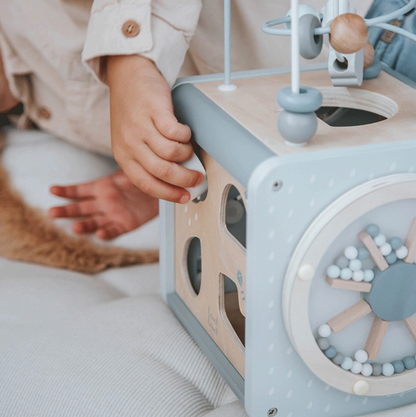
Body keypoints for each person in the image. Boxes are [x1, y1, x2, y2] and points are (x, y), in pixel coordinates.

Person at [0, 0, 375, 240]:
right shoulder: (39, 113)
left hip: (373, 35)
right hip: (347, 150)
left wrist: (128, 58)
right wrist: (174, 178)